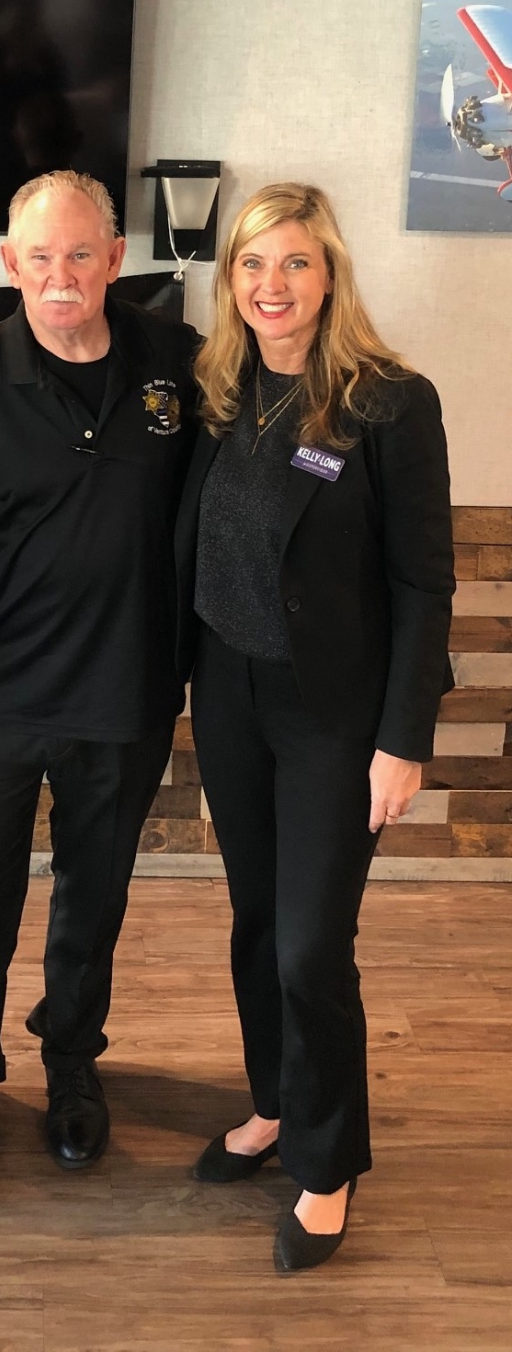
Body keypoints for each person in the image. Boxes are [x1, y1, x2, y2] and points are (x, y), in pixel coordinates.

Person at [175, 183, 454, 1271]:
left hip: (336, 714)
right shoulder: (220, 394)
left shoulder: (391, 402)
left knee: (308, 945)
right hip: (230, 695)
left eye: (293, 263)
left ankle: (328, 1162)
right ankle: (278, 1101)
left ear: (329, 274)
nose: (270, 286)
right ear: (229, 282)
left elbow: (422, 584)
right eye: (250, 265)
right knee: (254, 921)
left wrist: (403, 736)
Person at [0, 169, 200, 1198]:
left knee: (93, 898)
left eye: (82, 254)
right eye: (41, 257)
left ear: (117, 261)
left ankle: (71, 1065)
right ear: (8, 265)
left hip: (124, 691)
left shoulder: (180, 363)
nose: (62, 276)